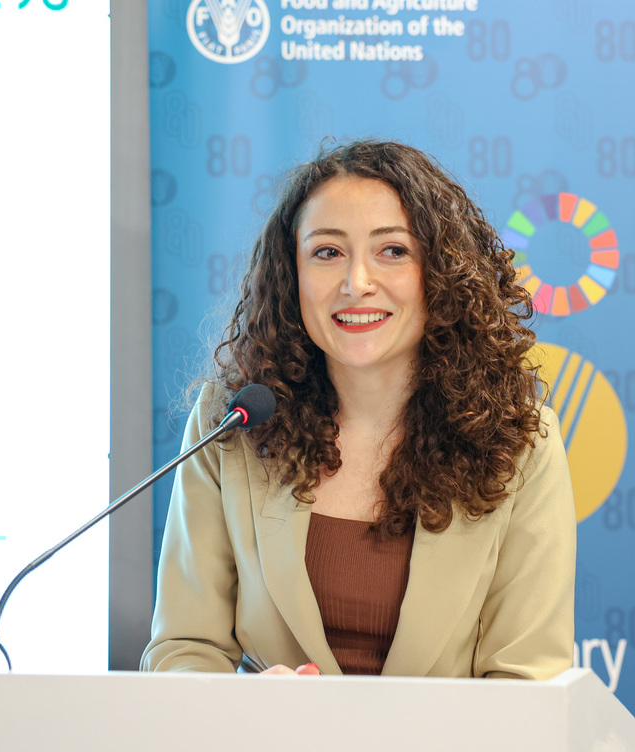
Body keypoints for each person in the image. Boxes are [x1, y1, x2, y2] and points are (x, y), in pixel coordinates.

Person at [140, 140, 576, 679]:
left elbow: (527, 681)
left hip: (452, 740)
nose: (357, 284)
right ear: (291, 274)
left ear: (441, 273)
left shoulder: (519, 442)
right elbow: (184, 649)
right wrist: (244, 708)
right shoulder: (230, 425)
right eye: (328, 252)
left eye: (392, 251)